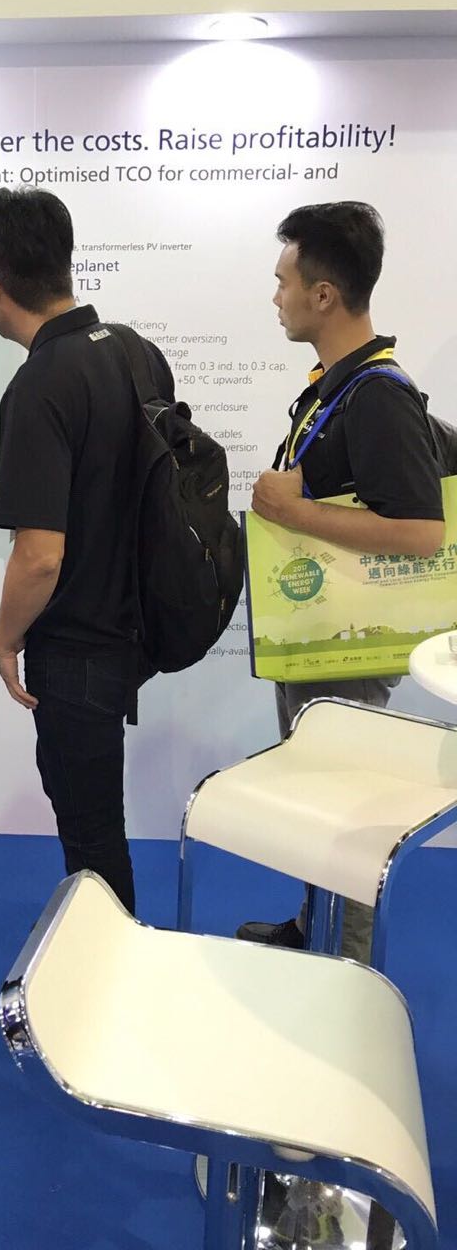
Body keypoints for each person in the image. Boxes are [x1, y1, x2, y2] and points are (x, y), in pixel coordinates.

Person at [0, 187, 174, 914]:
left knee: (89, 835)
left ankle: (110, 965)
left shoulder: (39, 384)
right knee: (99, 823)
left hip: (76, 649)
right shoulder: (136, 351)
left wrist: (2, 637)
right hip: (131, 627)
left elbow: (40, 555)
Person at [238, 201, 444, 962]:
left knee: (346, 809)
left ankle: (348, 970)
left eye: (284, 281)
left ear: (323, 294)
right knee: (317, 794)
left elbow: (422, 533)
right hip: (321, 638)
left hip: (349, 650)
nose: (276, 296)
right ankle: (313, 923)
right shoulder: (339, 386)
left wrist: (294, 511)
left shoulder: (378, 395)